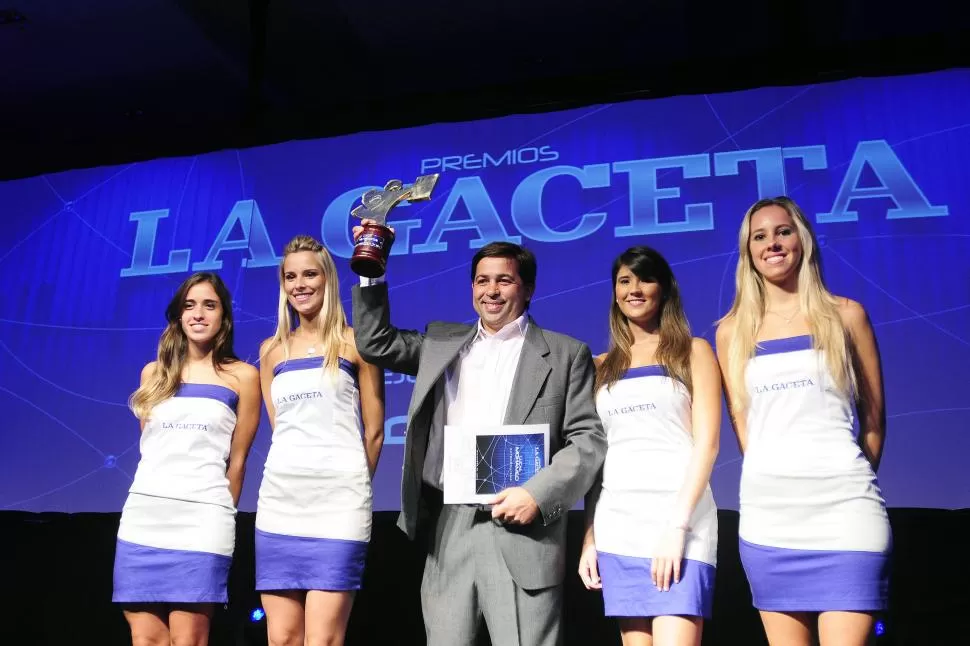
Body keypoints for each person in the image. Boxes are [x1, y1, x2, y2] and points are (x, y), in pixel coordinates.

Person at [351, 223, 607, 646]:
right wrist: (371, 264)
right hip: (451, 527)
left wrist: (538, 494)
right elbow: (375, 342)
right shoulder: (441, 342)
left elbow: (587, 440)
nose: (491, 290)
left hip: (524, 530)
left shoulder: (565, 354)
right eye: (482, 280)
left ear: (527, 289)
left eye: (504, 280)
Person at [715, 196, 891, 646]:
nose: (772, 243)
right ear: (748, 252)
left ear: (803, 240)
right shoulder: (732, 330)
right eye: (760, 236)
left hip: (846, 510)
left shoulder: (847, 315)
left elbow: (873, 419)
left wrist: (845, 475)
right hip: (770, 518)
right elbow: (741, 417)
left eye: (783, 231)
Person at [578, 246, 721, 646]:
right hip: (619, 525)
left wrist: (677, 527)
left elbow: (707, 445)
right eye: (624, 281)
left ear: (664, 288)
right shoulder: (599, 365)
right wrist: (590, 538)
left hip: (681, 522)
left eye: (645, 279)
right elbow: (595, 461)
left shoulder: (694, 351)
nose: (634, 289)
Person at [113, 272, 261, 646]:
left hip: (203, 520)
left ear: (223, 316)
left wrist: (220, 514)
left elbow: (238, 463)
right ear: (178, 316)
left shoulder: (243, 377)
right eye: (189, 305)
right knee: (145, 639)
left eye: (209, 305)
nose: (198, 314)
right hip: (143, 519)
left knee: (189, 640)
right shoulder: (153, 374)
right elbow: (151, 452)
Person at [255, 235, 385, 646]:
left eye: (310, 273)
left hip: (339, 504)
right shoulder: (271, 350)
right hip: (280, 502)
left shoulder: (355, 342)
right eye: (290, 276)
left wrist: (352, 487)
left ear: (327, 278)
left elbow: (376, 431)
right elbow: (281, 429)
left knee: (323, 640)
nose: (300, 284)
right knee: (283, 639)